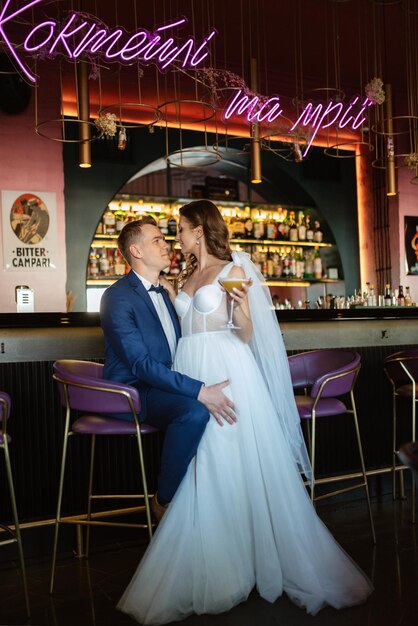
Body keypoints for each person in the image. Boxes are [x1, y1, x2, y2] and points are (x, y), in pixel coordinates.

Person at [117, 201, 373, 624]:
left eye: (179, 228)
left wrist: (241, 307)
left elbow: (247, 332)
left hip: (226, 368)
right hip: (189, 371)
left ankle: (249, 560)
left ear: (199, 230)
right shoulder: (181, 275)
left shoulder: (235, 270)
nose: (175, 235)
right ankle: (217, 558)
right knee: (202, 461)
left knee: (230, 455)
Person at [100, 215, 237, 521]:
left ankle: (220, 509)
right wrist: (199, 391)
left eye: (165, 238)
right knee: (197, 410)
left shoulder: (165, 291)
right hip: (136, 391)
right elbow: (141, 364)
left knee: (229, 406)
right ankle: (165, 500)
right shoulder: (116, 297)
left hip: (164, 385)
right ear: (136, 251)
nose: (167, 244)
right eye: (157, 240)